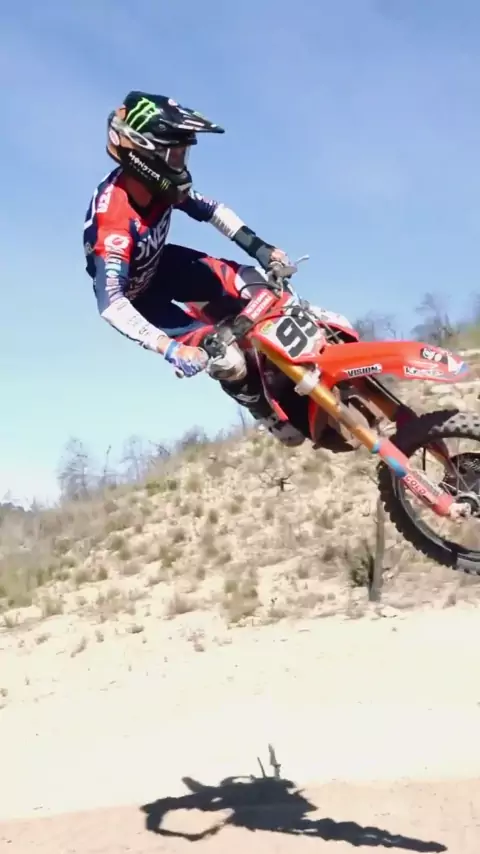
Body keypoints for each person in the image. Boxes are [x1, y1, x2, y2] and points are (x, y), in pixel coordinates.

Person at [83, 90, 306, 446]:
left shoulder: (160, 186)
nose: (181, 162)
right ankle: (263, 408)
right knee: (227, 360)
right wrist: (170, 349)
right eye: (175, 153)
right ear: (144, 153)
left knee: (255, 283)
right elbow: (111, 303)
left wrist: (262, 250)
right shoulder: (113, 221)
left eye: (183, 153)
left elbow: (213, 211)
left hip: (163, 265)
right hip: (142, 302)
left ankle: (317, 343)